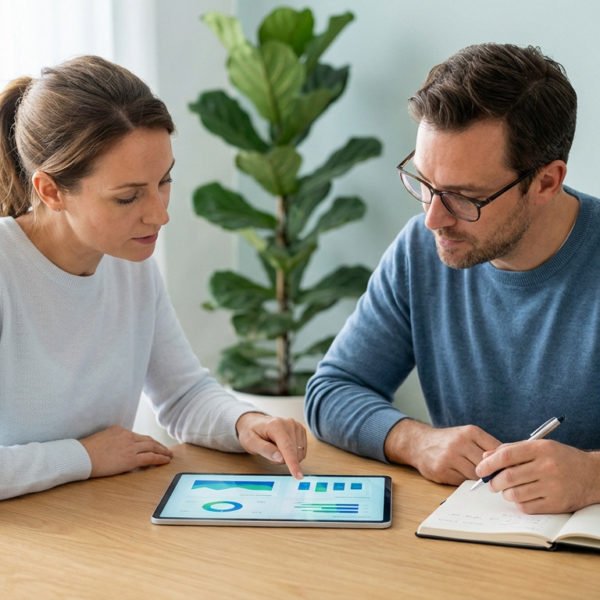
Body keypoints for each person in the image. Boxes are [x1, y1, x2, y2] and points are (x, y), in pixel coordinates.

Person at [306, 43, 600, 515]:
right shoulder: (421, 250)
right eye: (425, 183)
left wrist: (592, 476)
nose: (433, 220)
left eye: (465, 197)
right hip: (463, 544)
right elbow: (332, 392)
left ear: (546, 182)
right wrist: (415, 441)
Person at [0, 55, 307, 501]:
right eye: (128, 197)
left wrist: (246, 423)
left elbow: (183, 395)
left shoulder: (129, 261)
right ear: (50, 190)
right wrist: (84, 456)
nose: (160, 214)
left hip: (101, 521)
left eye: (164, 181)